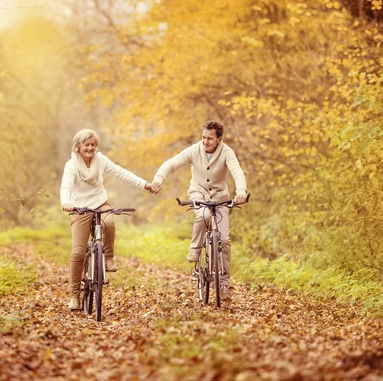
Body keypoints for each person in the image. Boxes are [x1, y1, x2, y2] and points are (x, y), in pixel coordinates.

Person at [150, 120, 247, 300]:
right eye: (203, 137)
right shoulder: (195, 150)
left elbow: (237, 172)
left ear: (219, 139)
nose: (205, 142)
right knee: (203, 215)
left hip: (221, 199)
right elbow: (171, 164)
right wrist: (158, 178)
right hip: (198, 194)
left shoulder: (227, 152)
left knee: (224, 240)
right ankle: (195, 249)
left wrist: (241, 191)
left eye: (210, 138)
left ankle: (224, 285)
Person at [60, 129, 153, 310]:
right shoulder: (71, 165)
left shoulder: (100, 160)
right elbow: (66, 186)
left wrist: (144, 184)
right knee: (78, 252)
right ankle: (74, 295)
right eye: (87, 144)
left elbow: (121, 173)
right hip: (80, 207)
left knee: (109, 222)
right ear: (78, 146)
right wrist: (66, 202)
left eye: (93, 144)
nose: (91, 148)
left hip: (100, 203)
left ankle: (108, 257)